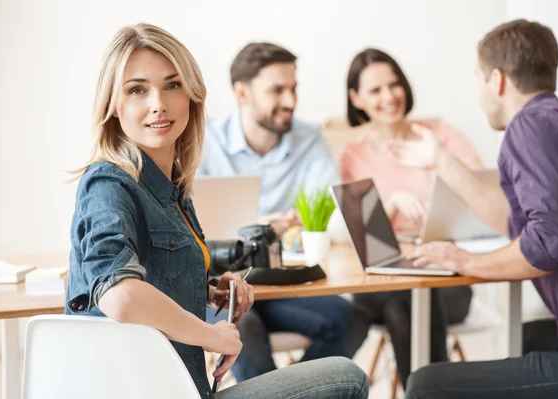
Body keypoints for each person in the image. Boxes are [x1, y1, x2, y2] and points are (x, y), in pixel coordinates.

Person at [65, 23, 368, 399]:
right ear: (113, 104)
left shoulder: (172, 188)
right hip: (145, 390)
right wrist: (213, 336)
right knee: (346, 377)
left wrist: (210, 291)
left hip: (182, 388)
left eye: (172, 85)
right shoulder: (109, 183)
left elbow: (158, 275)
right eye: (137, 89)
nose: (158, 102)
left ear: (191, 97)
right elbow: (121, 295)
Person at [404, 19, 558, 399]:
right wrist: (442, 160)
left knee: (426, 385)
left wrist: (466, 260)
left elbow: (554, 240)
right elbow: (517, 223)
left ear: (496, 80)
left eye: (477, 79)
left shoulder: (530, 126)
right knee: (522, 338)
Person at [199, 42, 369, 382]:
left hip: (282, 282)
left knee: (351, 320)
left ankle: (295, 390)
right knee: (242, 330)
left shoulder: (309, 139)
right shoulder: (204, 142)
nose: (290, 101)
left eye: (293, 89)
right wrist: (262, 224)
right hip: (220, 286)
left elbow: (331, 207)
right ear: (242, 93)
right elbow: (190, 222)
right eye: (277, 90)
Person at [338, 48, 478, 388]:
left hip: (446, 275)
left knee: (408, 300)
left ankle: (424, 393)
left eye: (394, 84)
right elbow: (353, 234)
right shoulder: (353, 154)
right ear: (356, 99)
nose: (389, 96)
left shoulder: (441, 138)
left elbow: (481, 197)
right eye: (375, 90)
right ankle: (437, 393)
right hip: (381, 280)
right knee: (403, 295)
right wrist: (392, 205)